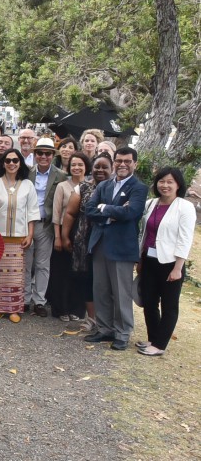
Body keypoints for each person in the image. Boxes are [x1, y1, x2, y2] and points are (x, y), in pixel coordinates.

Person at [84, 147, 147, 350]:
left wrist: (106, 208)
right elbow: (90, 210)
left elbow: (132, 212)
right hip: (100, 242)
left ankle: (122, 333)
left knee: (121, 293)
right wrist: (114, 212)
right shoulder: (103, 185)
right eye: (119, 160)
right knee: (100, 289)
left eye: (127, 161)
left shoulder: (138, 188)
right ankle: (104, 329)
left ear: (134, 164)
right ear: (114, 162)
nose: (122, 164)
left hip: (122, 247)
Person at [136, 168, 196, 356]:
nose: (165, 185)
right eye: (161, 181)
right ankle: (153, 338)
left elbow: (185, 239)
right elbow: (143, 233)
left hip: (170, 263)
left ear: (178, 184)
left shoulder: (184, 207)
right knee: (149, 301)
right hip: (149, 259)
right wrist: (140, 260)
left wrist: (178, 267)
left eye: (170, 182)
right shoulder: (151, 204)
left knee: (169, 305)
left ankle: (160, 344)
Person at [61, 153, 113, 332]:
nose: (100, 170)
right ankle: (92, 318)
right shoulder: (82, 188)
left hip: (107, 241)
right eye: (97, 166)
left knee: (106, 280)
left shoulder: (116, 188)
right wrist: (65, 236)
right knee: (87, 279)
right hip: (84, 239)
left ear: (111, 169)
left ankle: (107, 319)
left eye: (104, 167)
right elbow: (70, 213)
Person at [0, 149, 38, 322]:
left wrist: (30, 234)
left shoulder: (27, 185)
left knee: (15, 275)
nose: (11, 163)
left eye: (15, 160)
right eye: (8, 160)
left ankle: (14, 309)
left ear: (20, 163)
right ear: (3, 163)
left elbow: (32, 211)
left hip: (18, 238)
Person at [25, 137, 67, 317]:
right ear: (35, 155)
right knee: (26, 264)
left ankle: (39, 301)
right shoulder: (26, 173)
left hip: (46, 224)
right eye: (40, 153)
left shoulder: (61, 175)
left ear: (52, 156)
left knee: (43, 265)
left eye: (47, 153)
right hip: (27, 224)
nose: (43, 156)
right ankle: (25, 299)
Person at [50, 152, 91, 321]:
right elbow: (57, 212)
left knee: (80, 272)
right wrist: (58, 237)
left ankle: (77, 309)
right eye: (73, 165)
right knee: (62, 272)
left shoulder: (91, 186)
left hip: (84, 234)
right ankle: (61, 309)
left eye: (80, 164)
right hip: (64, 230)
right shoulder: (62, 186)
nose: (76, 168)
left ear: (86, 167)